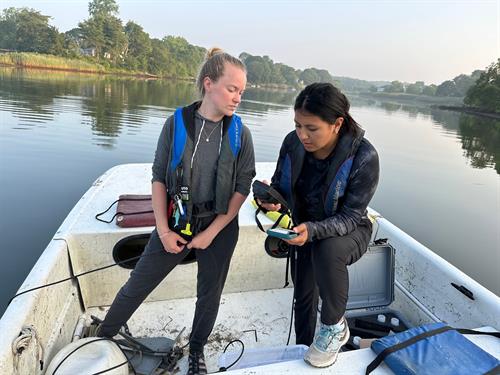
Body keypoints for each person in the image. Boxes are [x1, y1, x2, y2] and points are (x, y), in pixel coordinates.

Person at [97, 48, 255, 375]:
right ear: (208, 84)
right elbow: (158, 177)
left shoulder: (242, 133)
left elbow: (243, 186)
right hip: (174, 221)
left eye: (242, 91)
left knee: (209, 294)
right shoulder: (176, 123)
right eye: (232, 89)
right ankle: (103, 335)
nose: (238, 97)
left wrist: (211, 233)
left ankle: (197, 351)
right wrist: (164, 231)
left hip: (220, 227)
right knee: (137, 284)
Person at [258, 82, 379, 368]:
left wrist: (313, 231)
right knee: (303, 298)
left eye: (311, 128)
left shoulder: (365, 157)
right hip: (304, 229)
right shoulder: (292, 143)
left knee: (326, 249)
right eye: (298, 125)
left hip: (349, 232)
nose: (302, 135)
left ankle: (335, 327)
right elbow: (281, 186)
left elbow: (350, 217)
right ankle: (302, 349)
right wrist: (271, 200)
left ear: (337, 124)